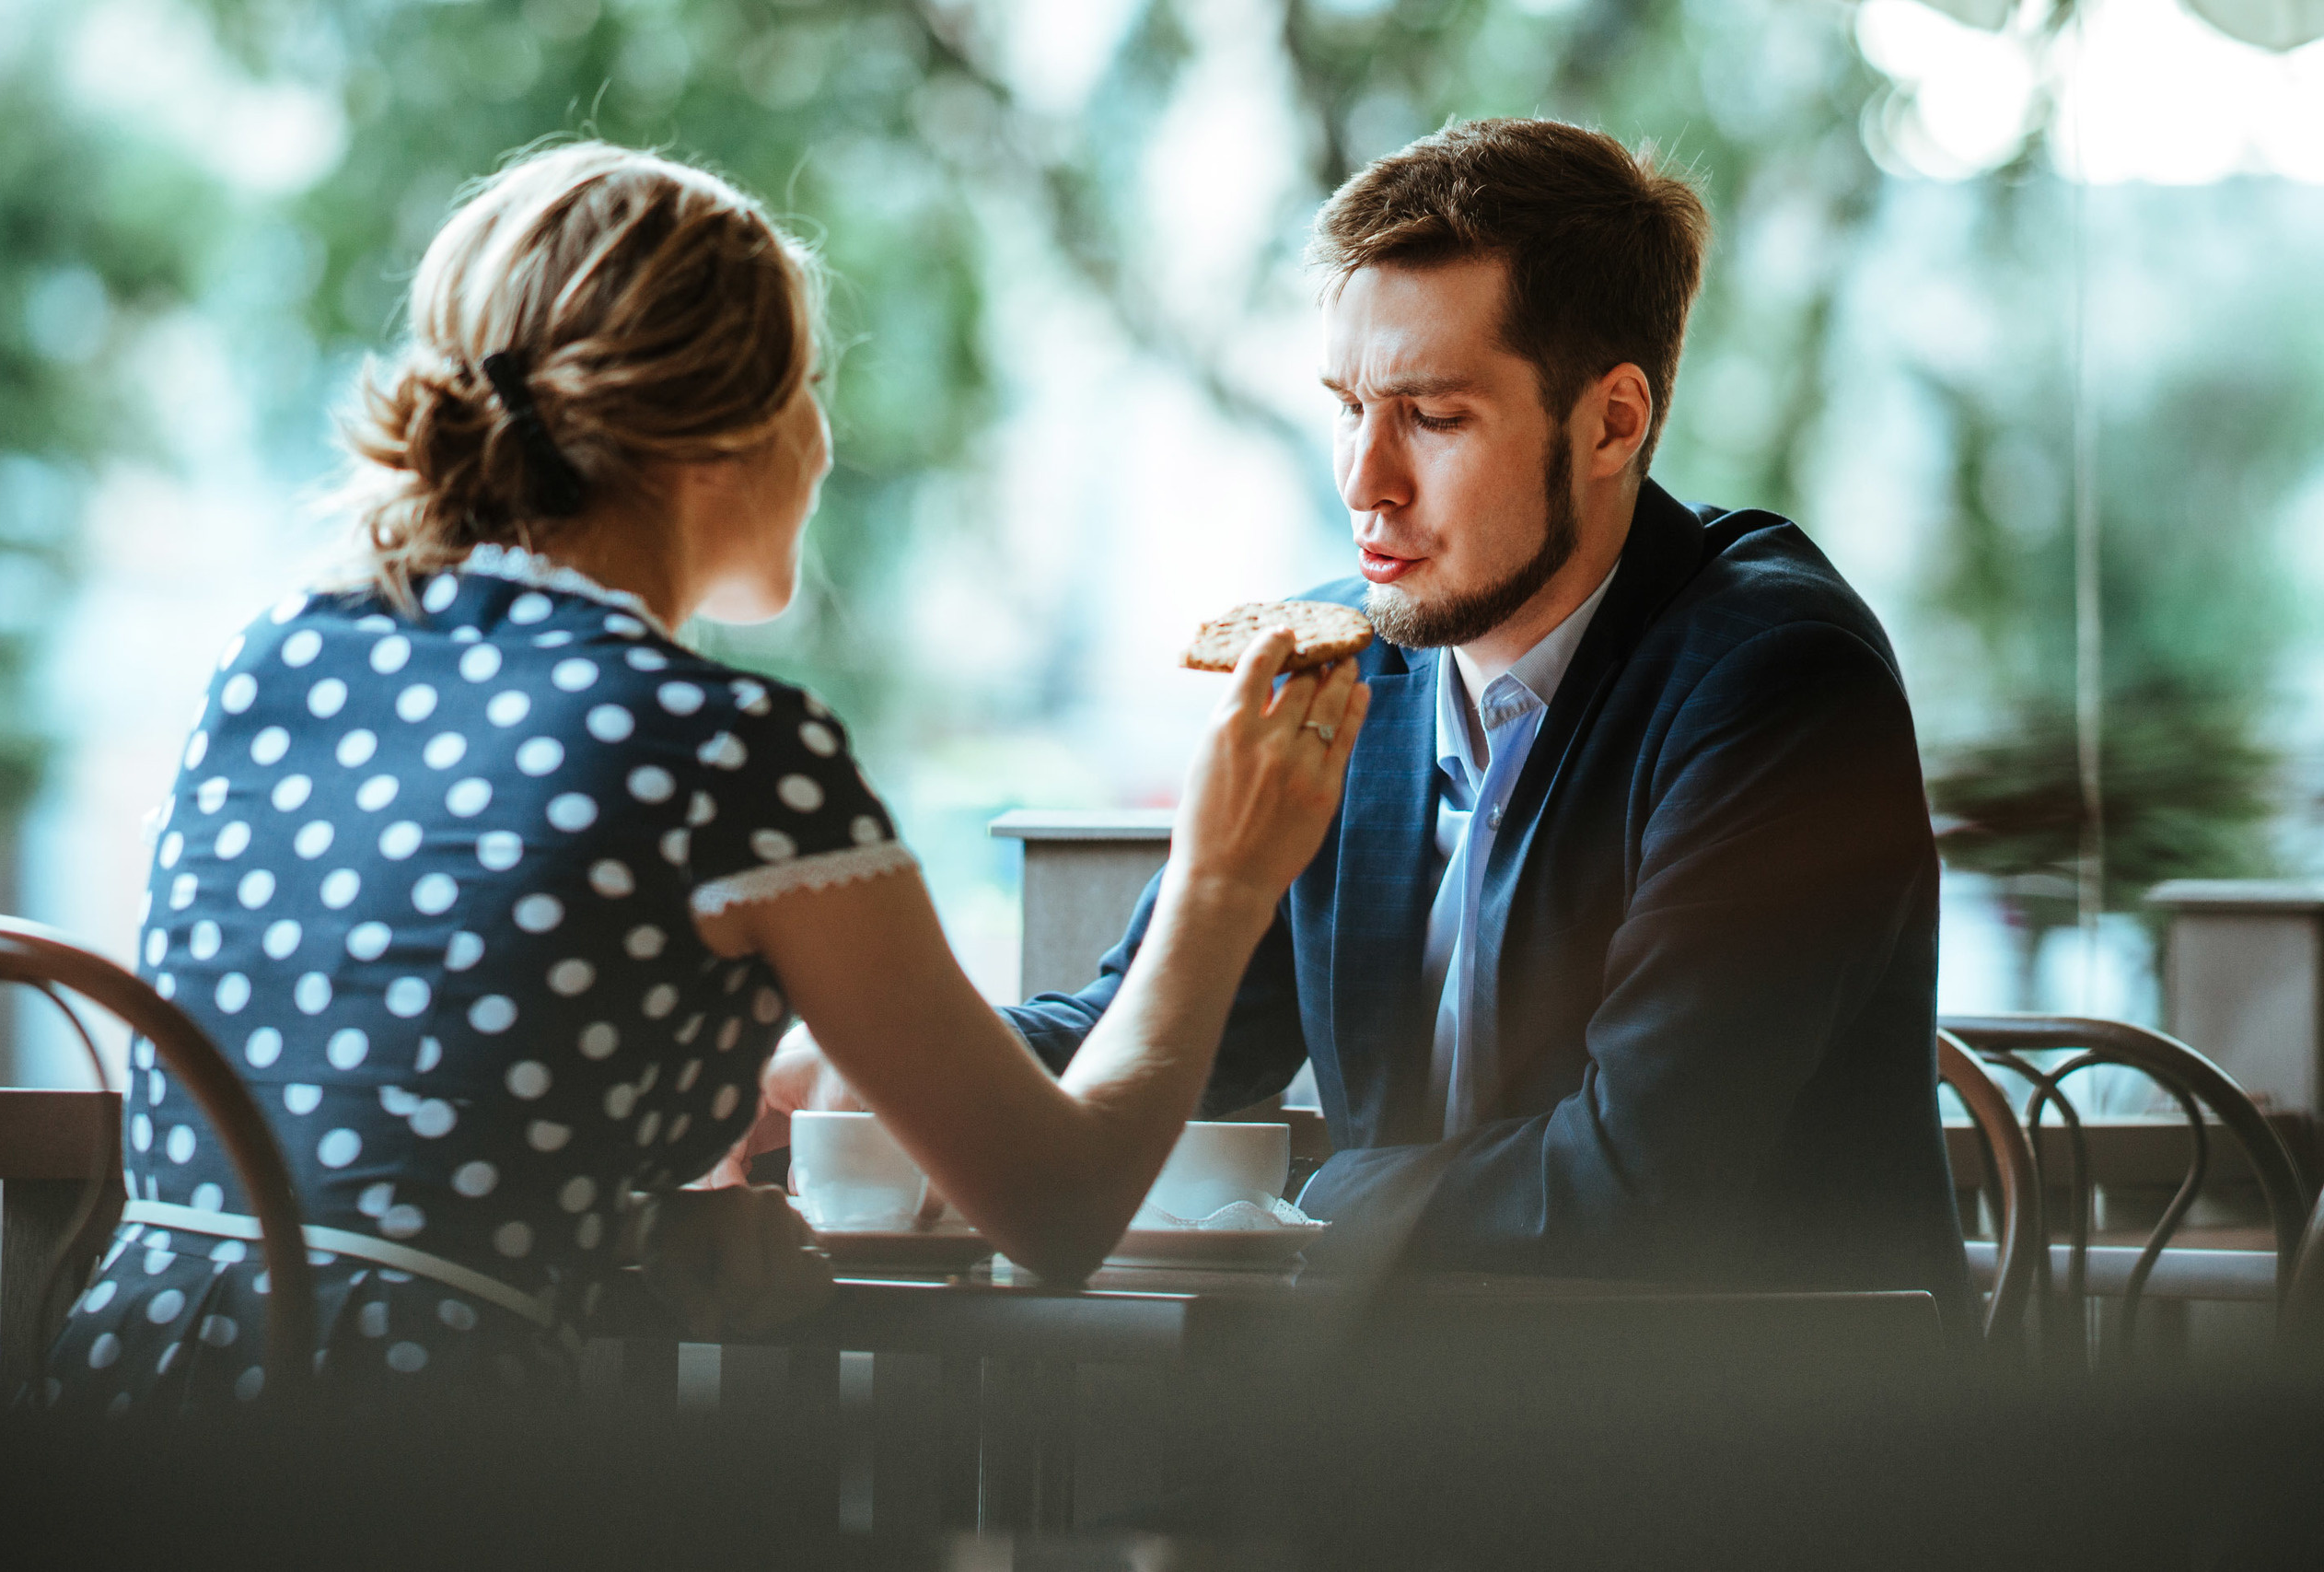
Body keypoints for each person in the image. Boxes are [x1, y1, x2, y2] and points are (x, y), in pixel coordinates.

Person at [42, 142, 1367, 1418]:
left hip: (117, 1397)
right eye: (809, 391)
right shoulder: (730, 753)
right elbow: (1062, 1207)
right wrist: (1222, 880)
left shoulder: (275, 656)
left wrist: (642, 1224)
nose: (827, 445)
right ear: (720, 439)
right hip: (414, 1449)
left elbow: (399, 1101)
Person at [761, 120, 1970, 1316]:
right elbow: (1174, 1032)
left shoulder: (1778, 682)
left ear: (1612, 422)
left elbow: (1641, 1182)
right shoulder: (1347, 663)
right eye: (1348, 405)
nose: (1362, 481)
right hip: (1434, 1420)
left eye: (1432, 418)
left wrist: (1300, 1208)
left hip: (1764, 1440)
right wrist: (881, 1070)